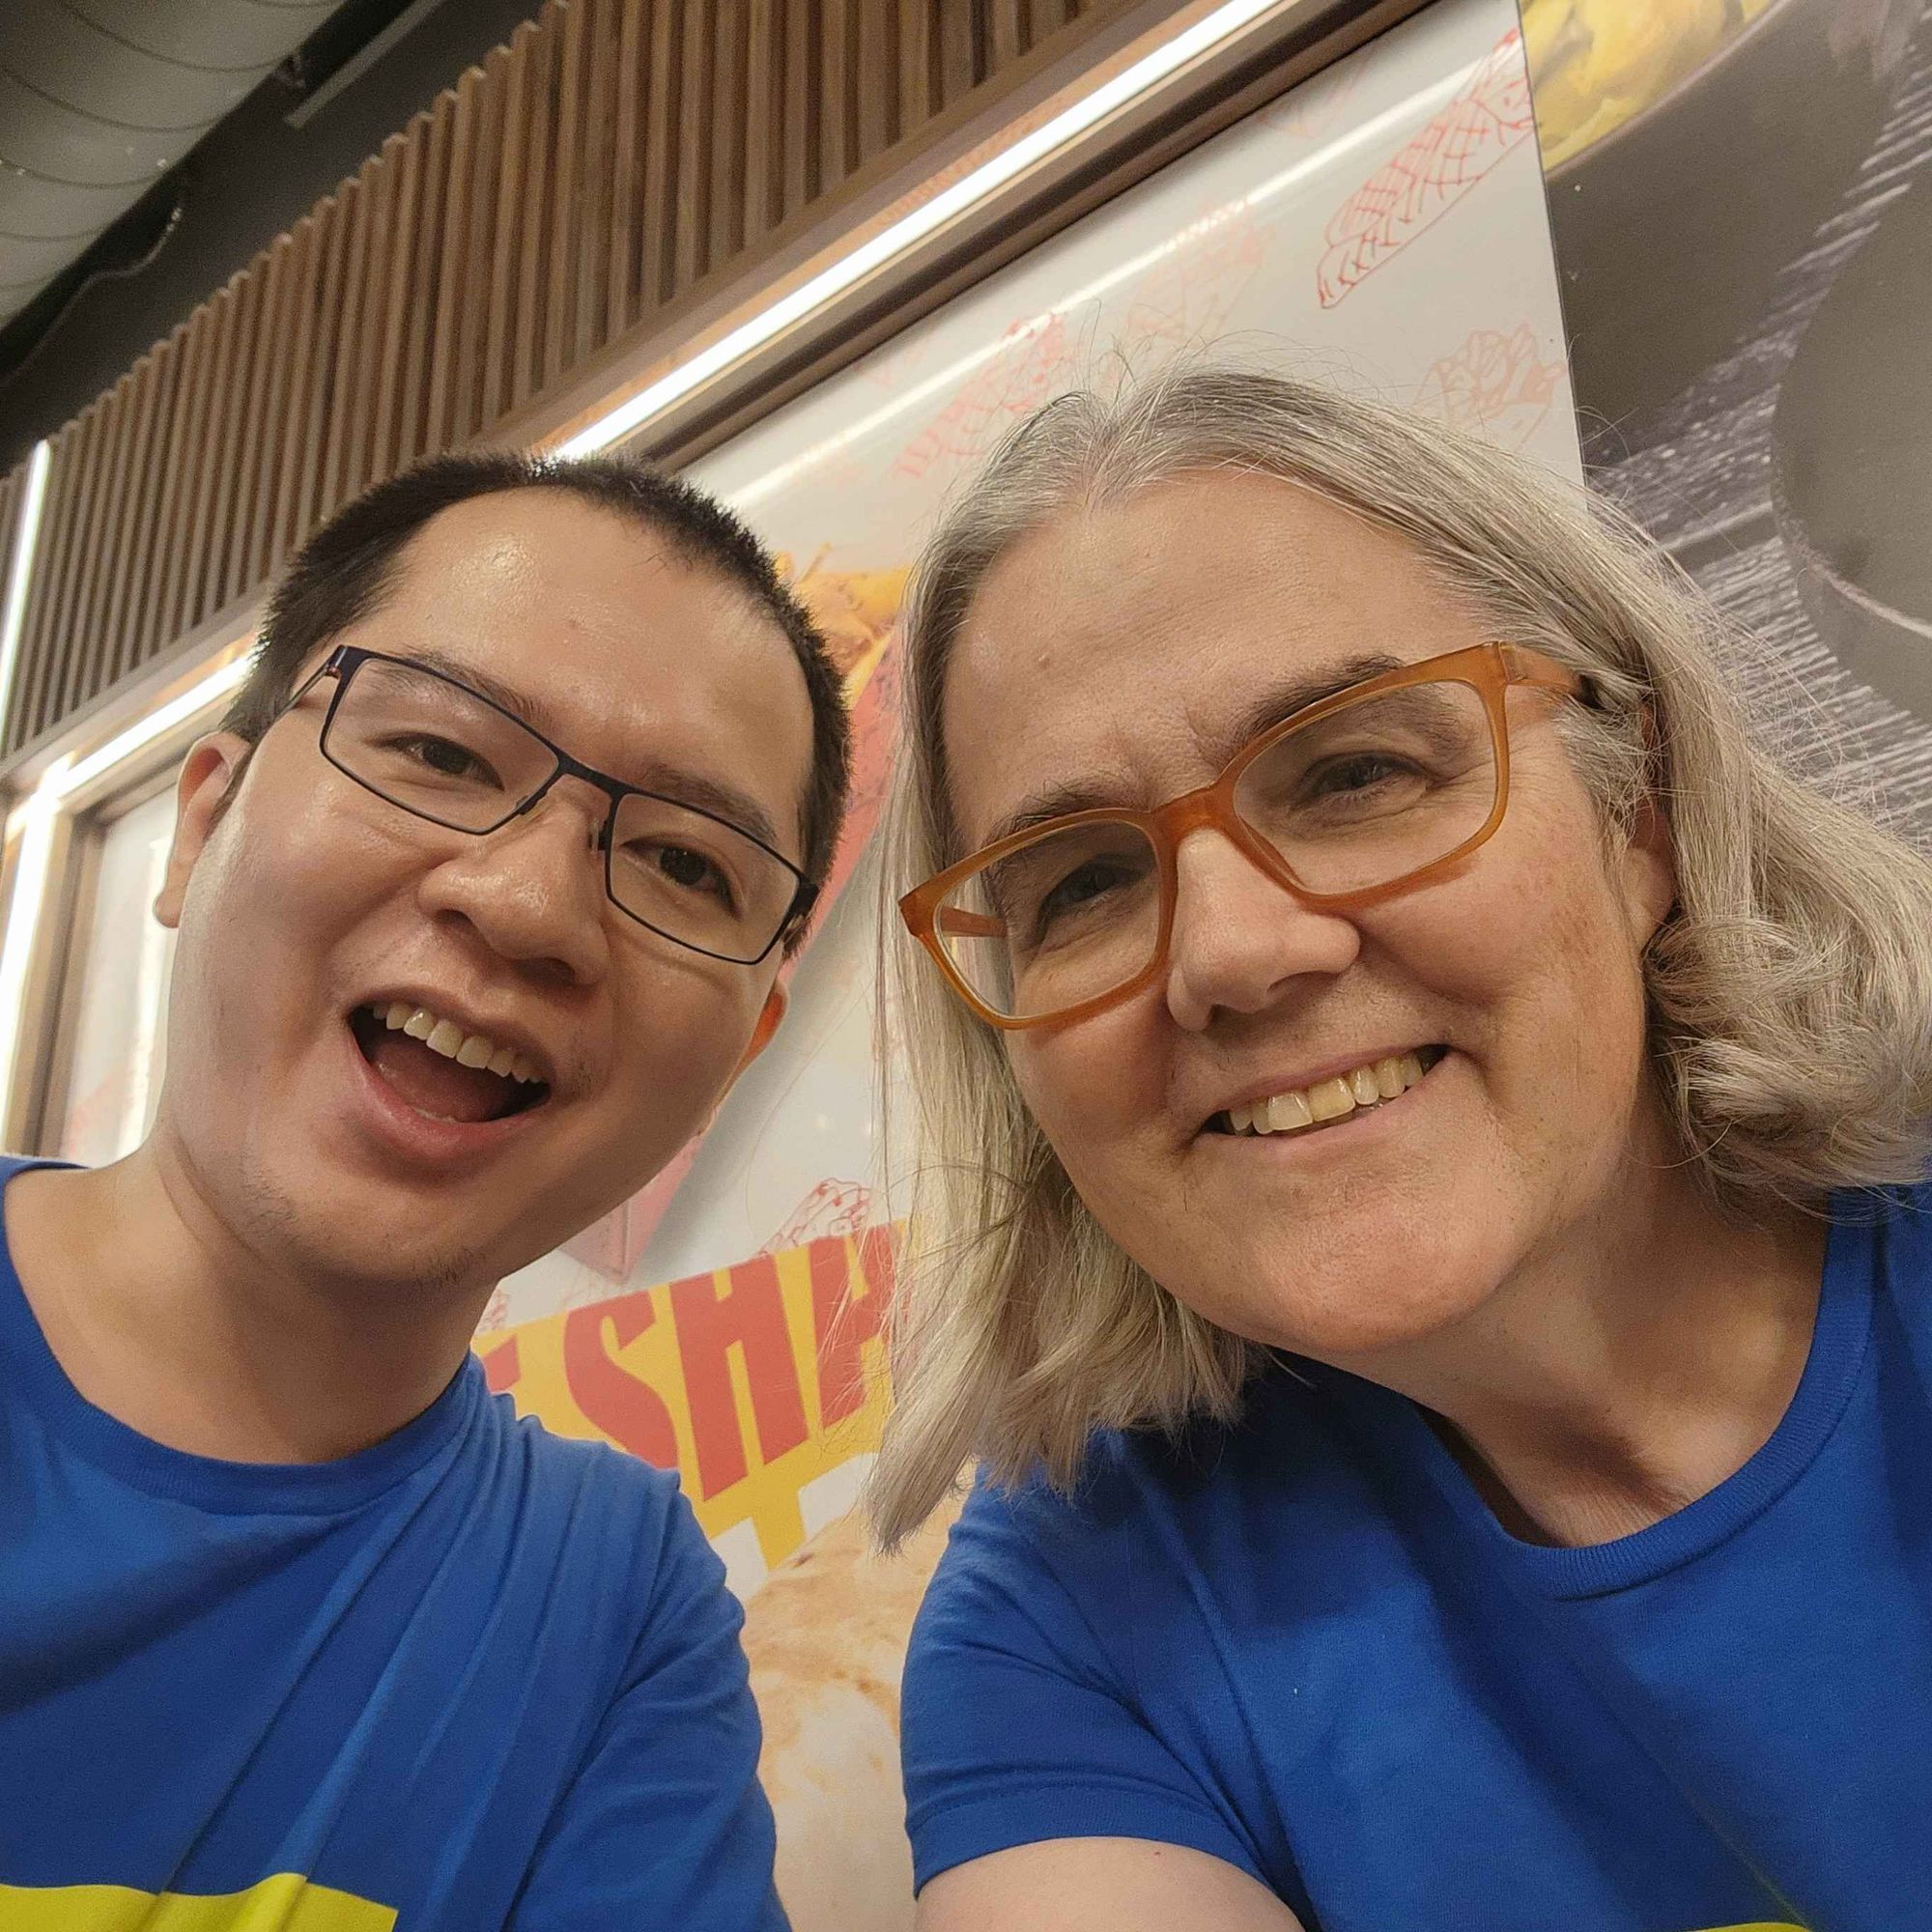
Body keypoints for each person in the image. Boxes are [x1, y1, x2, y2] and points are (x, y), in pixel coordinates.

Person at [868, 367, 1932, 1931]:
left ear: (1635, 821)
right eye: (1082, 881)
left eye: (1359, 772)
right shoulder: (1080, 1615)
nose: (1231, 952)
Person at [0, 450, 849, 1927]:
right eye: (444, 754)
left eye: (684, 864)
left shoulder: (608, 1607)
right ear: (202, 822)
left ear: (740, 1051)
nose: (526, 905)